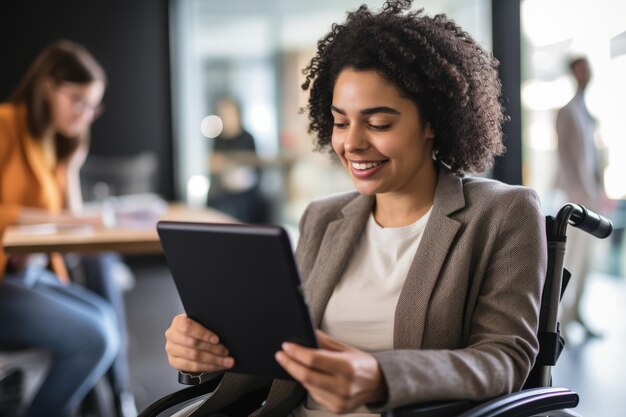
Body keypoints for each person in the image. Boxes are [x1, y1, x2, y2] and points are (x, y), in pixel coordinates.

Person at [163, 1, 547, 416]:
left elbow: (504, 358)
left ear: (433, 122)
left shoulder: (503, 212)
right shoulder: (323, 218)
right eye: (341, 122)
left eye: (379, 123)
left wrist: (379, 375)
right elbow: (281, 352)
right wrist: (207, 351)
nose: (352, 143)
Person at [0, 40, 134, 417]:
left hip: (30, 276)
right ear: (47, 86)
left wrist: (71, 166)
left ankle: (116, 399)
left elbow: (72, 230)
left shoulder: (51, 142)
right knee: (96, 338)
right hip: (5, 281)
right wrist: (64, 220)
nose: (85, 115)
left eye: (93, 106)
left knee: (106, 318)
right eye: (78, 100)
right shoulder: (6, 124)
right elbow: (65, 220)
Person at [555, 57, 603, 338]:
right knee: (572, 259)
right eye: (580, 68)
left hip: (590, 196)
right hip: (577, 199)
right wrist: (581, 196)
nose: (586, 73)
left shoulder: (584, 111)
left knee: (586, 261)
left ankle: (576, 313)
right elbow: (568, 159)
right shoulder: (567, 112)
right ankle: (559, 320)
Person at [207, 96, 270, 223]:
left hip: (245, 193)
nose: (226, 118)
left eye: (229, 114)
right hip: (223, 191)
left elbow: (255, 167)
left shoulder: (247, 138)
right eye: (223, 114)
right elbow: (214, 165)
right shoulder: (218, 140)